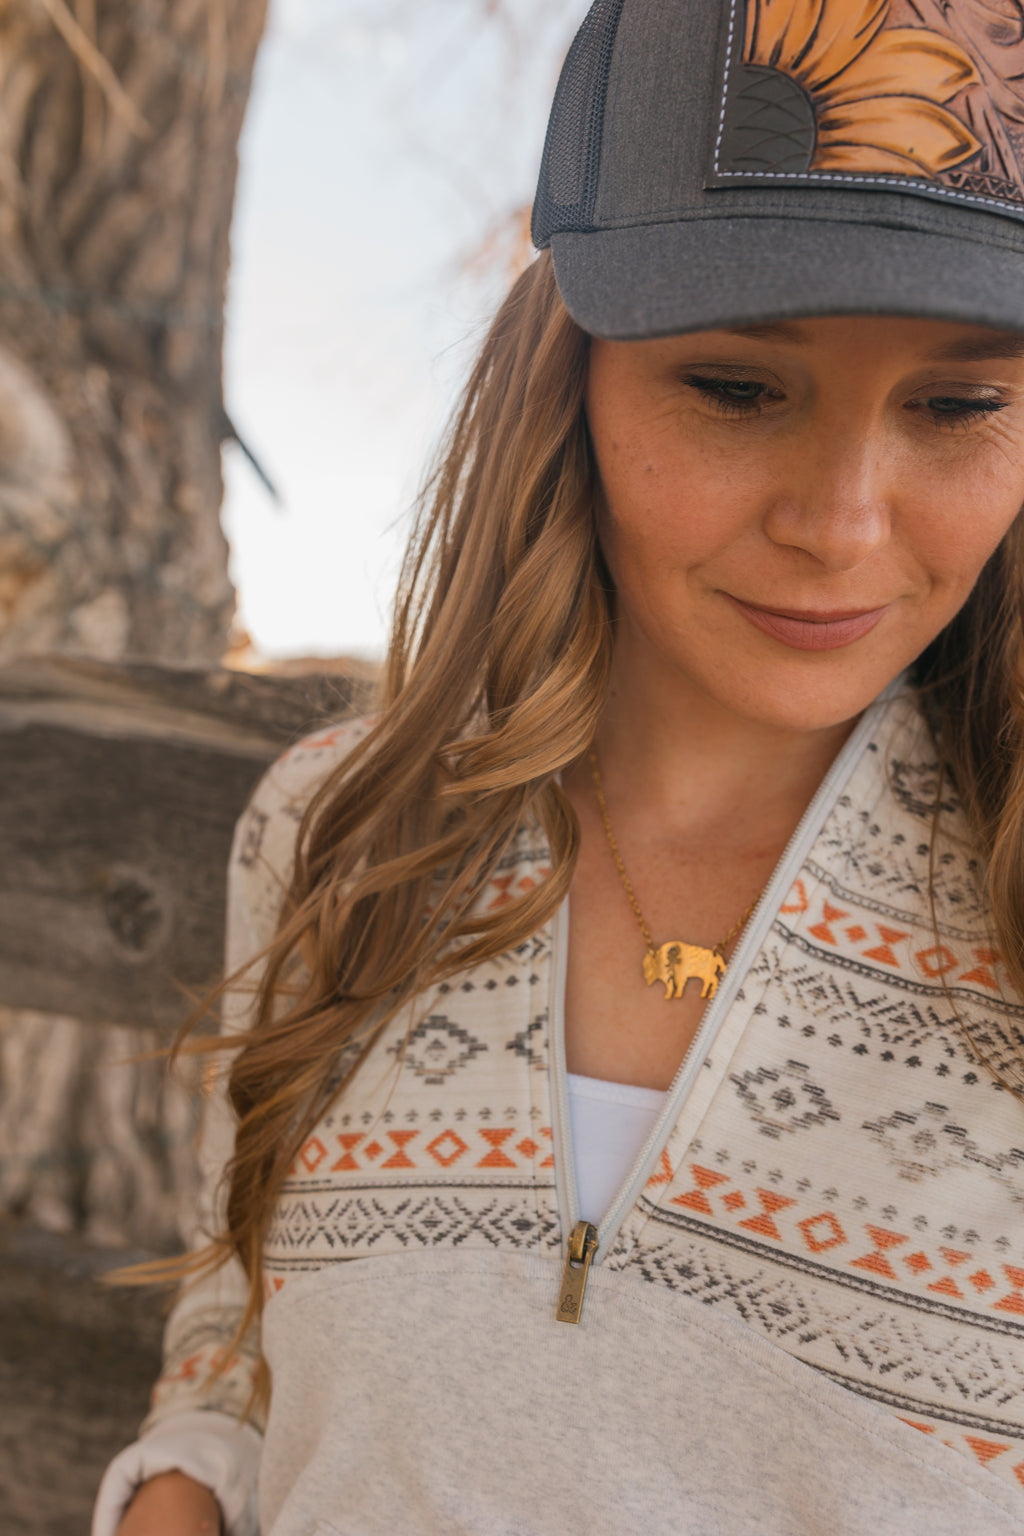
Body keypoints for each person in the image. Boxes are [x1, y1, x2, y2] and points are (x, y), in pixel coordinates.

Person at [93, 0, 1024, 1531]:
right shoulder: (335, 836)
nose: (844, 524)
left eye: (961, 404)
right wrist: (181, 1482)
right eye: (737, 386)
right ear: (567, 372)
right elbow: (242, 1334)